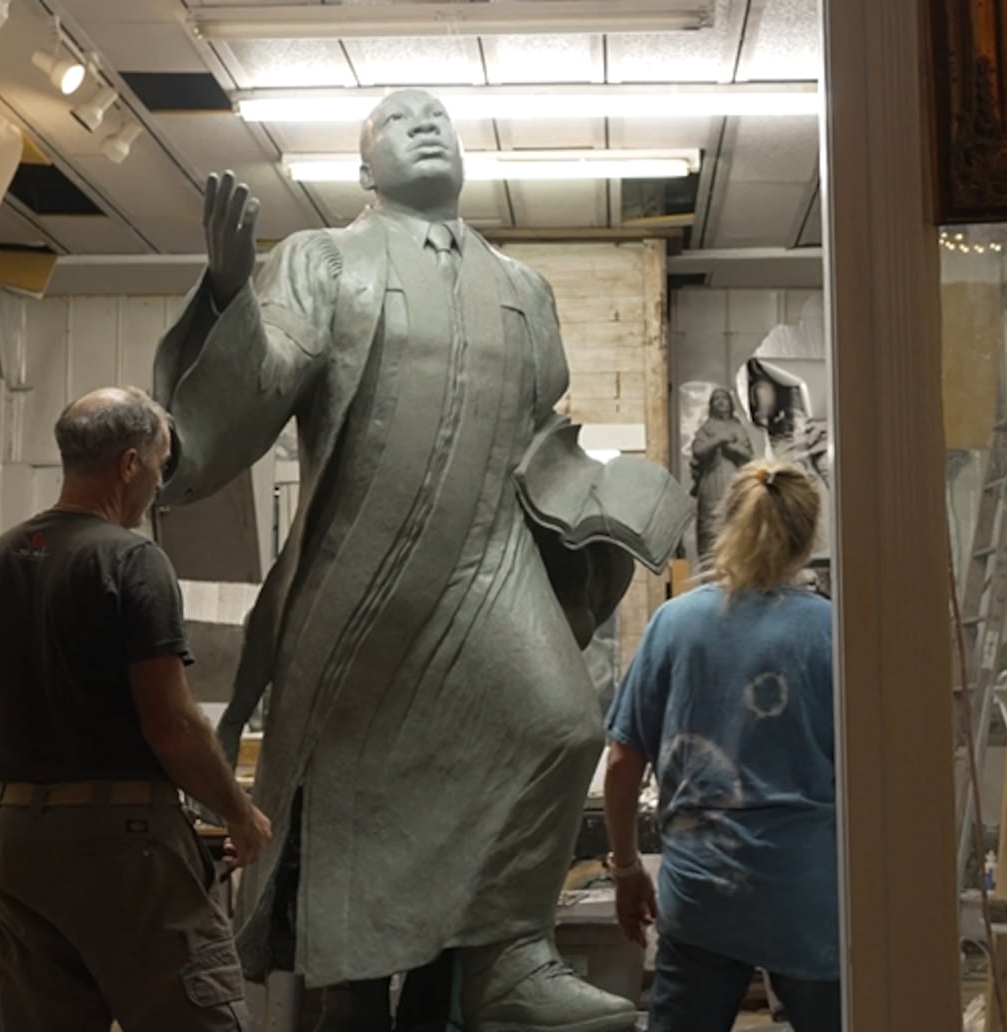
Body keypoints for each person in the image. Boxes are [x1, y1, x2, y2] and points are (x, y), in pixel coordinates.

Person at [152, 89, 690, 1031]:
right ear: (365, 170)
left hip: (488, 557)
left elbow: (537, 439)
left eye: (439, 117)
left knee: (563, 725)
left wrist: (613, 495)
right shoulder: (324, 260)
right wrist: (231, 295)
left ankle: (505, 953)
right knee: (353, 811)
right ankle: (370, 991)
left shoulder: (523, 289)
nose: (427, 124)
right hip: (364, 575)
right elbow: (256, 387)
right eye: (399, 121)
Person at [0, 386, 273, 1032]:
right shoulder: (131, 561)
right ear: (128, 464)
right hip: (126, 852)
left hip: (22, 845)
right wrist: (240, 814)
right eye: (158, 463)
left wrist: (7, 826)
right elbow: (172, 725)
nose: (157, 483)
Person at [603, 462, 840, 1032]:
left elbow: (621, 763)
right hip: (806, 892)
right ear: (807, 539)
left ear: (723, 526)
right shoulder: (833, 630)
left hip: (704, 890)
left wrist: (628, 869)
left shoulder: (673, 623)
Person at [688, 387, 753, 561]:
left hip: (733, 479)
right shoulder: (707, 428)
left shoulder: (738, 428)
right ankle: (709, 569)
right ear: (711, 405)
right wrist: (719, 440)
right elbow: (698, 451)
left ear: (731, 404)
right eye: (716, 399)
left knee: (735, 522)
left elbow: (748, 455)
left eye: (724, 398)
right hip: (711, 480)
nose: (721, 402)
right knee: (710, 526)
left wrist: (729, 447)